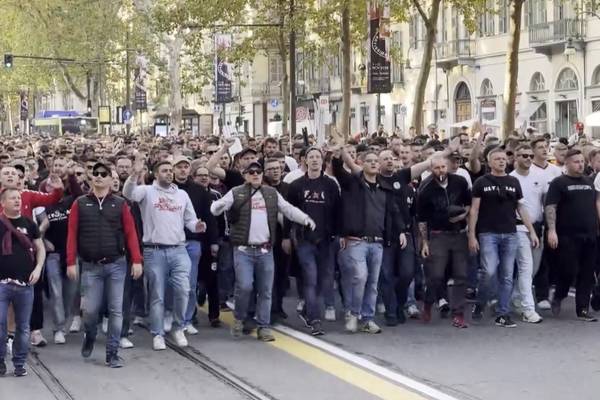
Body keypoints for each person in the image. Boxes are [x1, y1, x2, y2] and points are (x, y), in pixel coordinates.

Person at [210, 161, 315, 342]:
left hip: (265, 250)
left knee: (266, 290)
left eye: (258, 171)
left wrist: (305, 219)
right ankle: (240, 319)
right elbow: (217, 206)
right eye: (251, 172)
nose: (255, 174)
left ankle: (264, 327)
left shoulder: (271, 194)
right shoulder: (236, 192)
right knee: (244, 286)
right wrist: (217, 208)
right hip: (243, 250)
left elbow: (288, 210)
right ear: (245, 175)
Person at [123, 159, 207, 351]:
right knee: (157, 296)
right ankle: (158, 333)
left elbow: (190, 220)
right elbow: (128, 193)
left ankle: (178, 327)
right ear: (156, 173)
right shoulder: (146, 191)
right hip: (155, 251)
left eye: (171, 170)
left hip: (179, 249)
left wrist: (198, 226)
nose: (169, 173)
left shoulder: (182, 195)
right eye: (164, 171)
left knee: (183, 290)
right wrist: (135, 174)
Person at [66, 161, 143, 368]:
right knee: (90, 311)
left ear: (111, 179)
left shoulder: (120, 204)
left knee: (116, 309)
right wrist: (70, 261)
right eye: (96, 173)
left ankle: (112, 353)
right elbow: (72, 234)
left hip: (117, 264)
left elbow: (130, 234)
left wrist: (136, 260)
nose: (99, 176)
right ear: (91, 178)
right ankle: (90, 334)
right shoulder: (80, 203)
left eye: (104, 174)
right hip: (90, 266)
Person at [332, 148, 406, 334]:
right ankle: (354, 314)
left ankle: (367, 319)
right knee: (360, 276)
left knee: (373, 283)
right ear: (361, 165)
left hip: (378, 242)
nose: (373, 163)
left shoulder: (385, 188)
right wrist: (336, 156)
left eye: (375, 161)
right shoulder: (353, 183)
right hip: (357, 241)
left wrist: (401, 231)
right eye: (369, 161)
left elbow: (393, 212)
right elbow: (339, 171)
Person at [469, 147, 539, 328]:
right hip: (487, 233)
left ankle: (502, 313)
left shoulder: (513, 181)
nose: (501, 161)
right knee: (489, 271)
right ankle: (481, 302)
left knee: (507, 276)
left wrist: (531, 230)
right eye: (497, 159)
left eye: (503, 159)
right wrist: (471, 235)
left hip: (510, 233)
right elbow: (474, 210)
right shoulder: (481, 182)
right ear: (489, 162)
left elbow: (521, 208)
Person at [285, 148, 340, 335]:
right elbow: (288, 213)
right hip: (304, 240)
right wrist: (286, 237)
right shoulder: (296, 185)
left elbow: (337, 212)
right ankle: (315, 319)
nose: (315, 160)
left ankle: (308, 308)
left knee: (324, 280)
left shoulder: (331, 185)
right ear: (305, 161)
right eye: (311, 157)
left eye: (318, 157)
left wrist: (338, 235)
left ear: (323, 161)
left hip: (326, 240)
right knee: (310, 277)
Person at [418, 155, 471, 328]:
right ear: (430, 170)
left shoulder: (460, 181)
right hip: (438, 234)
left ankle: (458, 313)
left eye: (443, 167)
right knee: (436, 275)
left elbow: (469, 203)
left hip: (459, 233)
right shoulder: (425, 189)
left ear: (447, 166)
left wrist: (463, 215)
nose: (441, 171)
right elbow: (422, 219)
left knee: (461, 274)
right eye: (436, 168)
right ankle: (428, 302)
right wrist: (425, 242)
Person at [546, 149, 598, 321]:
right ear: (567, 163)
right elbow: (551, 207)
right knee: (569, 270)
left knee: (587, 273)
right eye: (576, 161)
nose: (580, 164)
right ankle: (559, 295)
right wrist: (552, 230)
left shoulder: (589, 182)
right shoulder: (558, 183)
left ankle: (582, 309)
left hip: (589, 234)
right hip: (567, 235)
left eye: (582, 161)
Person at [0, 188, 46, 377]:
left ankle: (19, 363)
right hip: (2, 283)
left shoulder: (29, 223)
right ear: (3, 203)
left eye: (18, 198)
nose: (17, 201)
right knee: (0, 324)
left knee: (23, 327)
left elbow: (40, 248)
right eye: (12, 198)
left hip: (25, 284)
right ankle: (0, 361)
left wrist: (37, 269)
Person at [172, 155, 218, 334]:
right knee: (173, 284)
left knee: (190, 284)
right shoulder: (167, 189)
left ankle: (187, 319)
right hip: (172, 242)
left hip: (193, 242)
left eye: (185, 167)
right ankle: (171, 316)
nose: (183, 170)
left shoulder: (199, 190)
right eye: (179, 167)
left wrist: (213, 241)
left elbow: (209, 217)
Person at [509, 145, 544, 323]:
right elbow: (518, 207)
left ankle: (515, 297)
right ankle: (528, 309)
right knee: (525, 266)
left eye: (531, 155)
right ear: (516, 157)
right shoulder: (511, 179)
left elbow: (545, 201)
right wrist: (529, 229)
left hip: (537, 227)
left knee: (532, 269)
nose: (529, 158)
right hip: (519, 228)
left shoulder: (539, 176)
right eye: (524, 155)